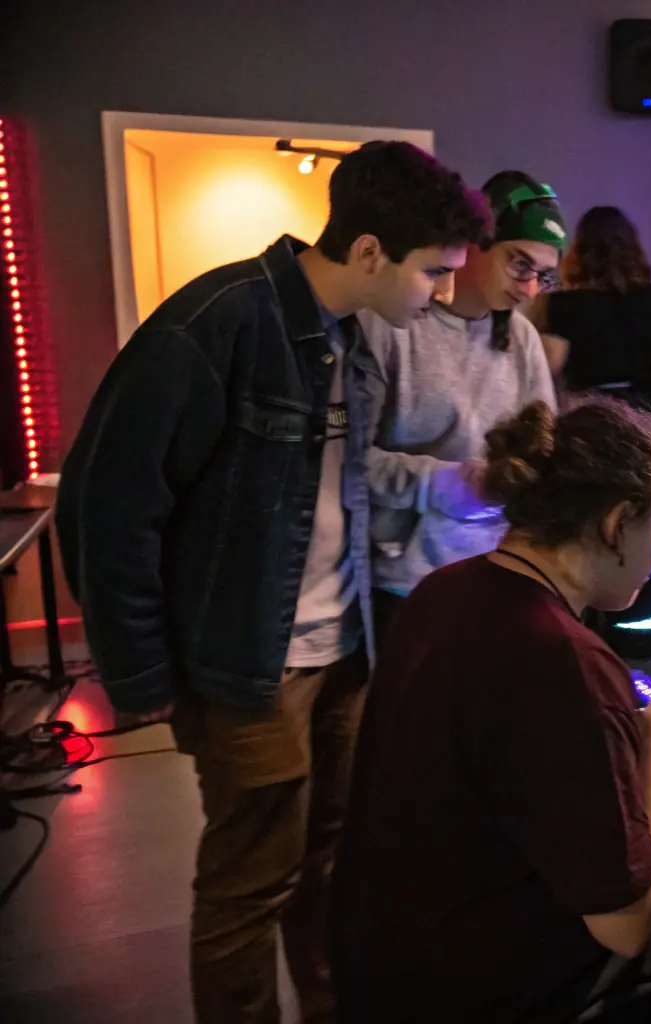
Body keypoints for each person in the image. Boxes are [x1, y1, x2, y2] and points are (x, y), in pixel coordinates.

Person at [56, 141, 485, 1024]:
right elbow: (107, 506)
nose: (441, 294)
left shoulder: (354, 340)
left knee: (326, 864)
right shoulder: (214, 322)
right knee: (248, 886)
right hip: (249, 669)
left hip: (343, 653)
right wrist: (141, 677)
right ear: (369, 253)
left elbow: (343, 487)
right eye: (432, 274)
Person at [331, 399, 651, 1023]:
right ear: (615, 521)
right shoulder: (562, 659)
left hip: (389, 969)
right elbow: (625, 925)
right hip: (485, 990)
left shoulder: (442, 589)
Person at [364, 170, 562, 644]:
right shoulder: (391, 323)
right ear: (474, 242)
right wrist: (440, 483)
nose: (530, 290)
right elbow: (343, 460)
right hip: (404, 585)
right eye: (519, 265)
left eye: (544, 276)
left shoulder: (521, 339)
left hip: (498, 573)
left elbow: (544, 450)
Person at [532, 205, 651, 418]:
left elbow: (546, 368)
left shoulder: (563, 303)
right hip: (647, 420)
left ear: (578, 251)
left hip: (585, 419)